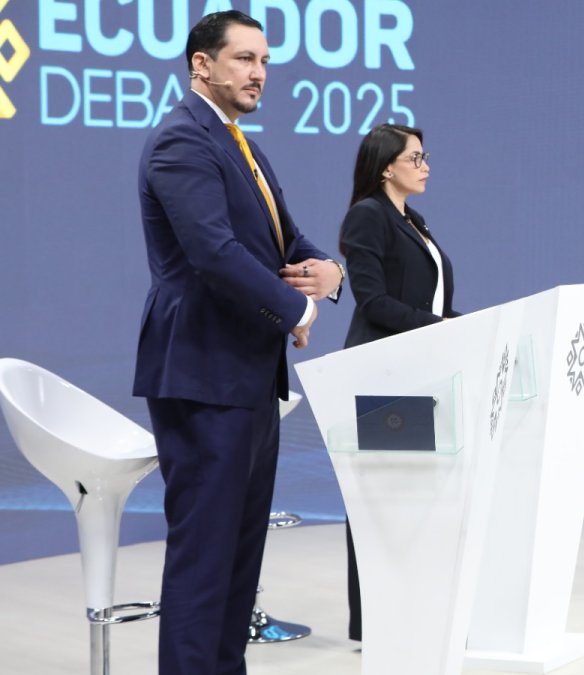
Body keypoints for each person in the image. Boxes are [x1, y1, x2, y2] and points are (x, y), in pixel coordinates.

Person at [134, 11, 344, 673]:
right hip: (202, 373)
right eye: (244, 59)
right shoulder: (180, 140)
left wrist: (331, 274)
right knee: (205, 558)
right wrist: (295, 310)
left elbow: (287, 238)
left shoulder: (239, 143)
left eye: (264, 62)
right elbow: (214, 254)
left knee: (238, 556)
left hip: (250, 377)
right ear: (202, 64)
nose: (259, 74)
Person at [338, 124, 459, 639]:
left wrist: (461, 323)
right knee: (378, 504)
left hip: (419, 369)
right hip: (382, 372)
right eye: (417, 156)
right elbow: (374, 302)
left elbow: (427, 301)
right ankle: (374, 621)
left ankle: (412, 607)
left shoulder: (415, 220)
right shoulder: (367, 217)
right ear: (387, 165)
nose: (426, 164)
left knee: (412, 498)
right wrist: (443, 327)